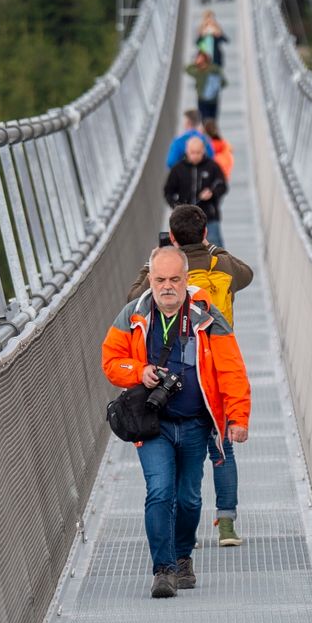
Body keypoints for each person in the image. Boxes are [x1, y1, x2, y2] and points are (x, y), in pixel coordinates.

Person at [102, 245, 250, 596]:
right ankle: (163, 570)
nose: (167, 286)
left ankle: (183, 556)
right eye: (159, 280)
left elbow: (231, 369)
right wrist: (139, 371)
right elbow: (111, 361)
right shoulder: (133, 315)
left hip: (196, 423)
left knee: (189, 499)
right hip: (153, 424)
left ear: (186, 279)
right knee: (160, 491)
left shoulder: (208, 317)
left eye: (174, 279)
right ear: (150, 280)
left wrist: (238, 416)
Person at [125, 205, 252, 547]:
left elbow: (133, 299)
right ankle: (227, 525)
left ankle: (186, 532)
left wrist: (152, 265)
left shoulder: (168, 274)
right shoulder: (220, 264)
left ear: (172, 238)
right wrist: (215, 250)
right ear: (205, 233)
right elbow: (248, 274)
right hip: (219, 368)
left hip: (181, 376)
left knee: (183, 458)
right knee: (222, 451)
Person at [165, 132, 227, 240]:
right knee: (186, 247)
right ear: (187, 151)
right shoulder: (177, 170)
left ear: (203, 150)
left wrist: (212, 193)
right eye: (192, 152)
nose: (195, 156)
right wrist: (177, 206)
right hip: (185, 220)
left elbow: (222, 185)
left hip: (209, 218)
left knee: (214, 245)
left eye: (198, 152)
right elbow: (168, 191)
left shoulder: (212, 166)